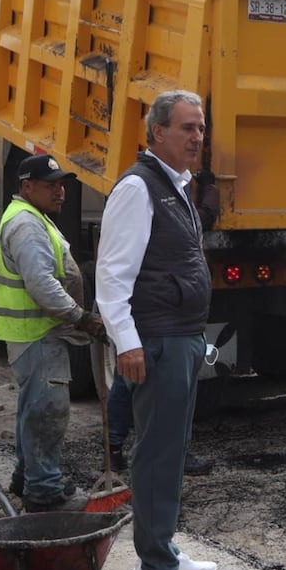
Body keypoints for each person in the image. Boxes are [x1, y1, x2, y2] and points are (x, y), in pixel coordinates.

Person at [96, 89, 218, 570]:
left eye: (200, 128)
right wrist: (127, 342)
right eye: (187, 128)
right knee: (157, 453)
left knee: (173, 449)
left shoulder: (176, 186)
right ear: (158, 133)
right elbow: (111, 276)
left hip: (182, 335)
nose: (197, 138)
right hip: (159, 339)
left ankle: (163, 546)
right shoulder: (138, 189)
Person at [0, 153, 105, 513]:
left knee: (33, 408)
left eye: (61, 185)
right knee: (47, 411)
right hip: (38, 334)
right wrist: (81, 317)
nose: (60, 192)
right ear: (27, 187)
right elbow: (42, 284)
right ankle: (43, 490)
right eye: (50, 186)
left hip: (33, 333)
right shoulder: (27, 224)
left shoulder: (33, 217)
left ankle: (27, 475)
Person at [105, 170, 219, 476]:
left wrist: (209, 192)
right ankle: (115, 448)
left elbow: (200, 219)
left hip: (167, 316)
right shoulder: (139, 192)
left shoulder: (174, 194)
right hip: (145, 314)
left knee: (158, 390)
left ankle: (168, 454)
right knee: (129, 382)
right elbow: (114, 272)